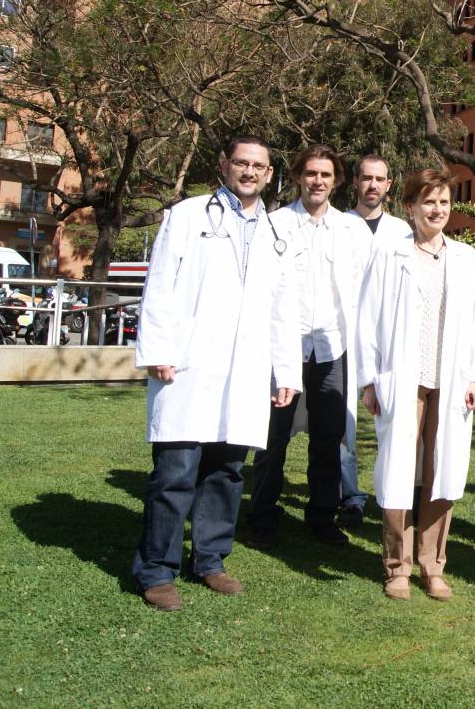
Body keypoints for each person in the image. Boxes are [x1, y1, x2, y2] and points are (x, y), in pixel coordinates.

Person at [131, 134, 301, 611]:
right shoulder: (187, 216)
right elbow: (159, 285)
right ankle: (156, 570)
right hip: (188, 366)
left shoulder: (276, 233)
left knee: (227, 471)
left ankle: (210, 560)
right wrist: (158, 349)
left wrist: (286, 371)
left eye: (258, 166)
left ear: (269, 174)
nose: (249, 172)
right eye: (241, 163)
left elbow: (283, 309)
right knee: (176, 472)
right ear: (224, 165)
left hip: (244, 371)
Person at [357, 169, 475, 602]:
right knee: (398, 469)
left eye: (444, 202)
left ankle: (433, 565)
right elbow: (367, 319)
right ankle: (398, 566)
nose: (437, 210)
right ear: (410, 206)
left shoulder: (465, 257)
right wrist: (369, 381)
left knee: (441, 470)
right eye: (428, 202)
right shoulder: (390, 254)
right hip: (404, 378)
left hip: (451, 380)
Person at [247, 144, 371, 548]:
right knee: (272, 437)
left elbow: (364, 290)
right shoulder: (275, 224)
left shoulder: (351, 230)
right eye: (311, 173)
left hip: (332, 348)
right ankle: (261, 516)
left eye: (326, 175)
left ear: (336, 182)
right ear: (299, 176)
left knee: (328, 438)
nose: (318, 181)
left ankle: (321, 517)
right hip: (284, 349)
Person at [340, 154, 412, 529]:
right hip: (342, 336)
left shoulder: (402, 231)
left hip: (387, 339)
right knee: (344, 422)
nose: (372, 185)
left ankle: (390, 496)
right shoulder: (339, 225)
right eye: (366, 178)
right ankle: (350, 495)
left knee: (390, 419)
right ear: (355, 182)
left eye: (379, 179)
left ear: (388, 185)